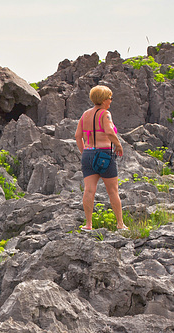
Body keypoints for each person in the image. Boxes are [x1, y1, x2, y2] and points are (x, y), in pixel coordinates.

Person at [75, 85, 127, 231]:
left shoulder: (85, 115)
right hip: (105, 154)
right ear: (104, 100)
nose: (111, 101)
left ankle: (88, 225)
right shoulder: (106, 114)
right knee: (113, 191)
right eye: (110, 98)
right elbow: (110, 132)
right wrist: (118, 145)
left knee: (89, 190)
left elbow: (78, 136)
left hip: (88, 153)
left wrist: (84, 152)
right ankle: (120, 224)